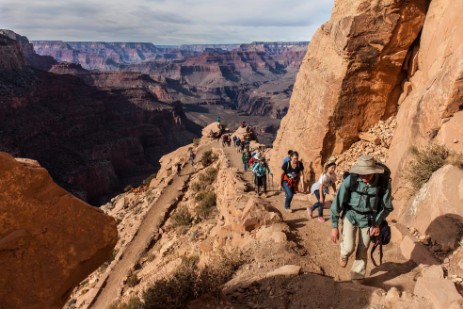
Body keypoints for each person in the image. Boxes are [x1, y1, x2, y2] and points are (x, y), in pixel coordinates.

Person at [330, 155, 393, 281]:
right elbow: (337, 203)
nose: (363, 177)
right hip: (350, 215)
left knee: (363, 249)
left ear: (374, 172)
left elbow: (387, 207)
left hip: (369, 219)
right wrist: (334, 226)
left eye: (367, 175)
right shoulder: (351, 180)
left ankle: (357, 277)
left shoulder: (383, 184)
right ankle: (344, 254)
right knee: (349, 247)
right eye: (361, 174)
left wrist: (377, 223)